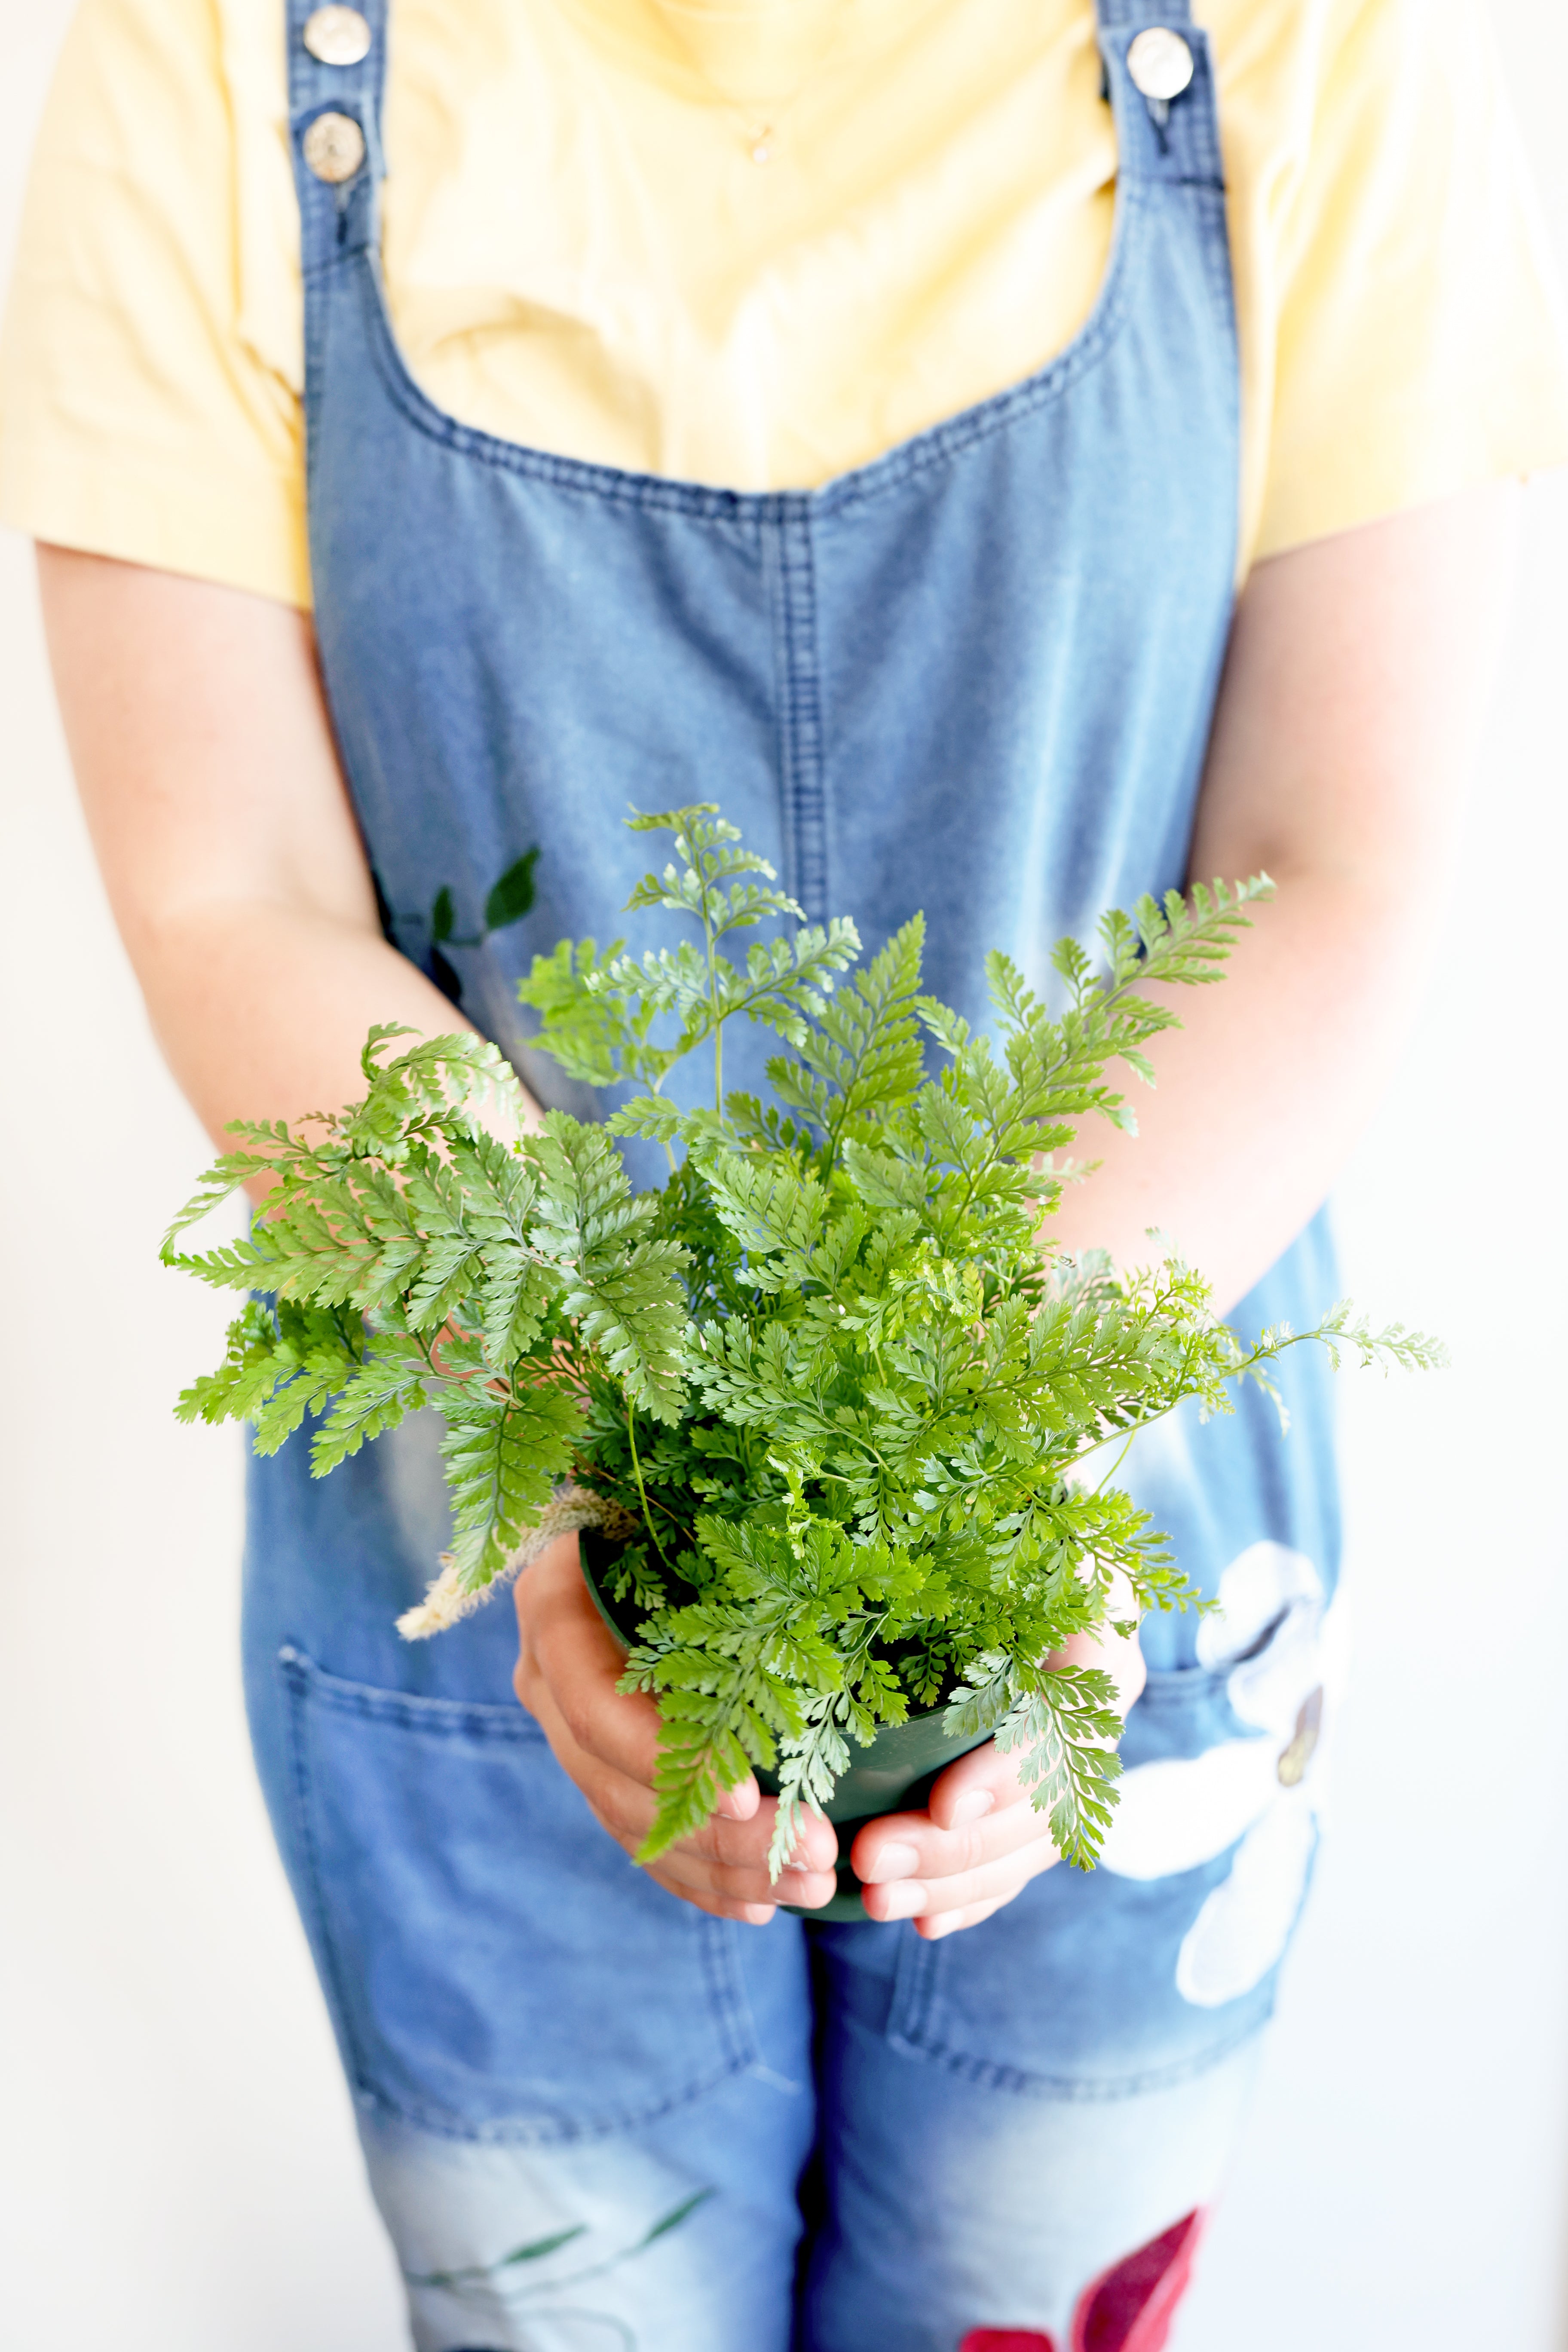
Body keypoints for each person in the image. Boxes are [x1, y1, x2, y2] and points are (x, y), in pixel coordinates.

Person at [3, 0, 1565, 2343]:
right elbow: (235, 897)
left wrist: (998, 1467)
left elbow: (1331, 865)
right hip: (481, 1501)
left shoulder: (1312, 34)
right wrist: (583, 1469)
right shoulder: (213, 48)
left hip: (1112, 1555)